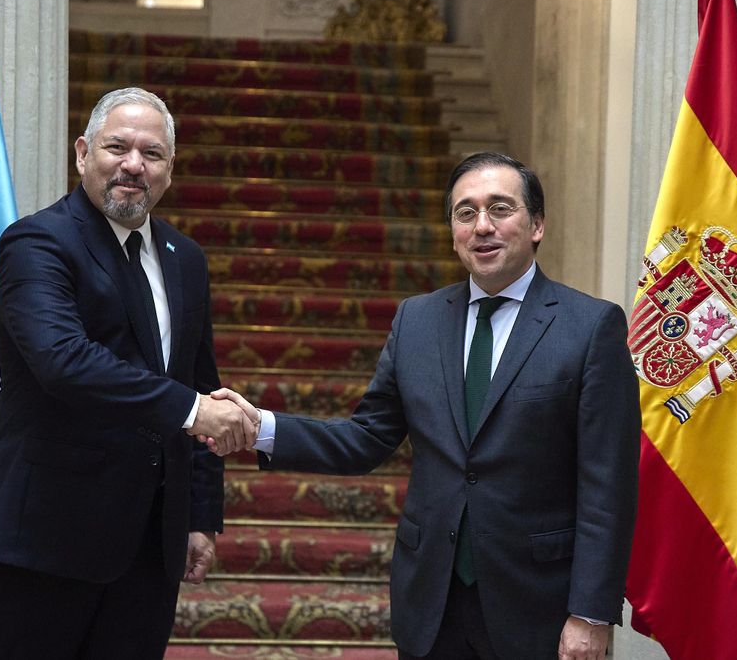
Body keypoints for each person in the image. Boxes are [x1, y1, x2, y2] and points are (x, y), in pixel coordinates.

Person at [217, 152, 640, 660]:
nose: (482, 226)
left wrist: (590, 612)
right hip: (432, 603)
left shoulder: (590, 327)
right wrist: (261, 427)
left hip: (538, 608)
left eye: (500, 209)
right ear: (453, 230)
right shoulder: (416, 321)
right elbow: (366, 438)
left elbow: (607, 484)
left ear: (537, 226)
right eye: (465, 213)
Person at [0, 87, 257, 659]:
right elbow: (63, 361)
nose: (133, 165)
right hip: (45, 538)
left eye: (152, 154)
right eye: (117, 147)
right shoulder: (38, 241)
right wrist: (195, 411)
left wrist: (198, 515)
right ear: (82, 153)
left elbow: (201, 380)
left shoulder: (184, 258)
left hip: (149, 545)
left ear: (170, 169)